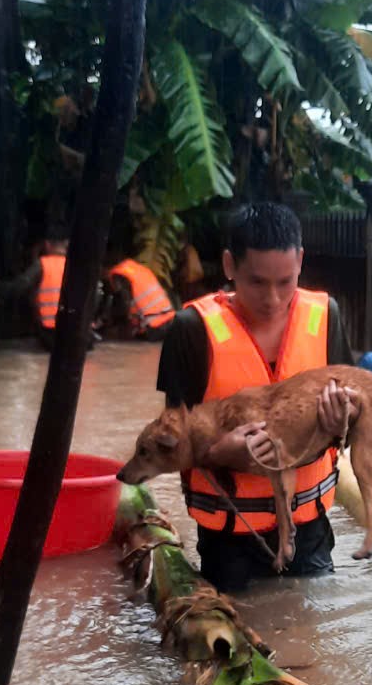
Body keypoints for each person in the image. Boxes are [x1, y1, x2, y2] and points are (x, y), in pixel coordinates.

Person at [157, 202, 356, 593]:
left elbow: (352, 414)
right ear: (230, 266)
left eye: (286, 281)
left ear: (300, 260)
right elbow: (170, 441)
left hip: (308, 530)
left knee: (312, 637)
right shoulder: (191, 330)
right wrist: (219, 454)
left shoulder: (326, 316)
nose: (273, 298)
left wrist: (341, 424)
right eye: (257, 282)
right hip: (228, 537)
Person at [0, 232, 102, 350]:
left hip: (52, 335)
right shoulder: (79, 266)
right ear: (67, 244)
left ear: (47, 245)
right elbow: (96, 294)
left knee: (31, 293)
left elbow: (18, 287)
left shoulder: (43, 264)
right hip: (78, 333)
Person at [107, 255, 175, 340]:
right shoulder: (139, 270)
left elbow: (123, 305)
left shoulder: (120, 274)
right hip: (170, 322)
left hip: (153, 327)